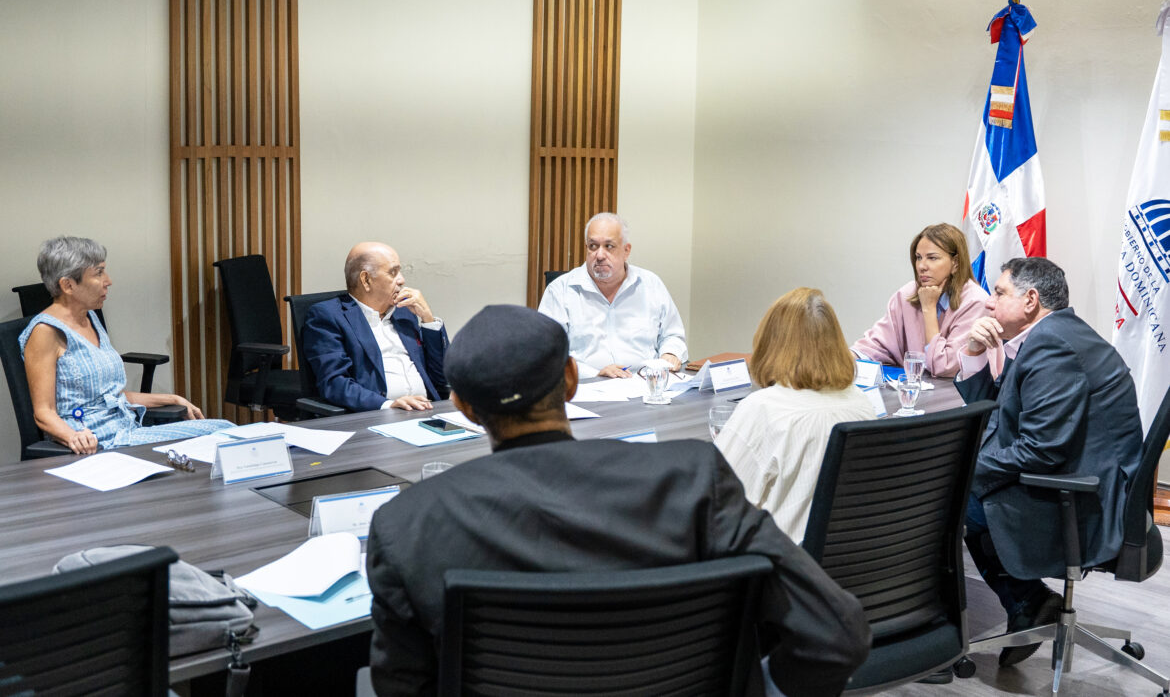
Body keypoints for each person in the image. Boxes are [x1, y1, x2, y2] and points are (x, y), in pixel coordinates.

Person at [365, 305, 871, 697]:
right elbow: (837, 632)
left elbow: (402, 686)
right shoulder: (694, 479)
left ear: (464, 407)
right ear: (570, 379)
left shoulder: (405, 525)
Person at [957, 257, 1143, 666]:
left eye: (999, 293)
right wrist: (973, 352)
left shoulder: (1051, 346)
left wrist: (963, 470)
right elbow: (995, 415)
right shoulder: (1053, 335)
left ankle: (1018, 604)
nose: (988, 302)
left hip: (1085, 501)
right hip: (1088, 482)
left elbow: (1041, 450)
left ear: (1031, 300)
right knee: (962, 491)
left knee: (948, 503)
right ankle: (1027, 602)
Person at [20, 236, 233, 454]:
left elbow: (113, 396)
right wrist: (73, 437)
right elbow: (44, 412)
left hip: (127, 433)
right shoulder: (45, 331)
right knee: (225, 438)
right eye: (99, 273)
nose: (108, 281)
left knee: (227, 432)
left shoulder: (90, 318)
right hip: (98, 444)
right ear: (68, 285)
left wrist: (172, 398)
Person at [715, 288, 875, 542]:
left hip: (778, 558)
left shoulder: (763, 409)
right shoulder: (862, 404)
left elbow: (715, 499)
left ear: (770, 343)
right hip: (849, 556)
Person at [302, 242, 448, 413]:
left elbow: (442, 377)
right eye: (393, 272)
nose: (402, 280)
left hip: (427, 410)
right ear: (366, 280)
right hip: (378, 415)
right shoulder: (328, 316)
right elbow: (334, 383)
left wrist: (428, 319)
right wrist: (388, 405)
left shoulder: (404, 313)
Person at [537, 212, 687, 378]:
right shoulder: (560, 290)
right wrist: (596, 374)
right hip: (586, 385)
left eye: (609, 246)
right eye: (593, 246)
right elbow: (548, 353)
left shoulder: (650, 284)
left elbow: (673, 335)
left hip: (646, 382)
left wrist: (670, 353)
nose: (600, 255)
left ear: (626, 250)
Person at [852, 222, 994, 378]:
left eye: (932, 258)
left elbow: (943, 366)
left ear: (956, 263)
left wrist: (929, 308)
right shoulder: (906, 294)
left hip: (953, 391)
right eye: (918, 257)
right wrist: (846, 358)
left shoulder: (976, 302)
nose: (921, 266)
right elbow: (876, 345)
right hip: (913, 388)